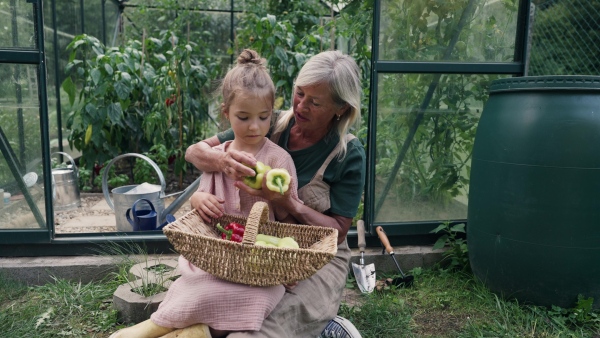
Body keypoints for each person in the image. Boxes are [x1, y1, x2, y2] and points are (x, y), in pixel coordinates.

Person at [110, 49, 302, 338]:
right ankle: (156, 327)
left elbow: (289, 216)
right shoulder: (217, 158)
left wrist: (277, 196)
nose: (254, 126)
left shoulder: (278, 161)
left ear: (272, 112)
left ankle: (196, 331)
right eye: (243, 116)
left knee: (268, 293)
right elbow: (200, 196)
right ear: (225, 113)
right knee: (195, 287)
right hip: (216, 254)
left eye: (264, 117)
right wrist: (200, 200)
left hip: (258, 260)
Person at [185, 50, 366, 337]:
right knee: (207, 319)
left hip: (315, 257)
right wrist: (222, 161)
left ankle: (325, 323)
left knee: (259, 331)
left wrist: (287, 202)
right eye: (299, 93)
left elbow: (338, 232)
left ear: (341, 108)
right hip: (259, 247)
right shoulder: (269, 122)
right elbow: (195, 151)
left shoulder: (347, 153)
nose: (301, 106)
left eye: (315, 102)